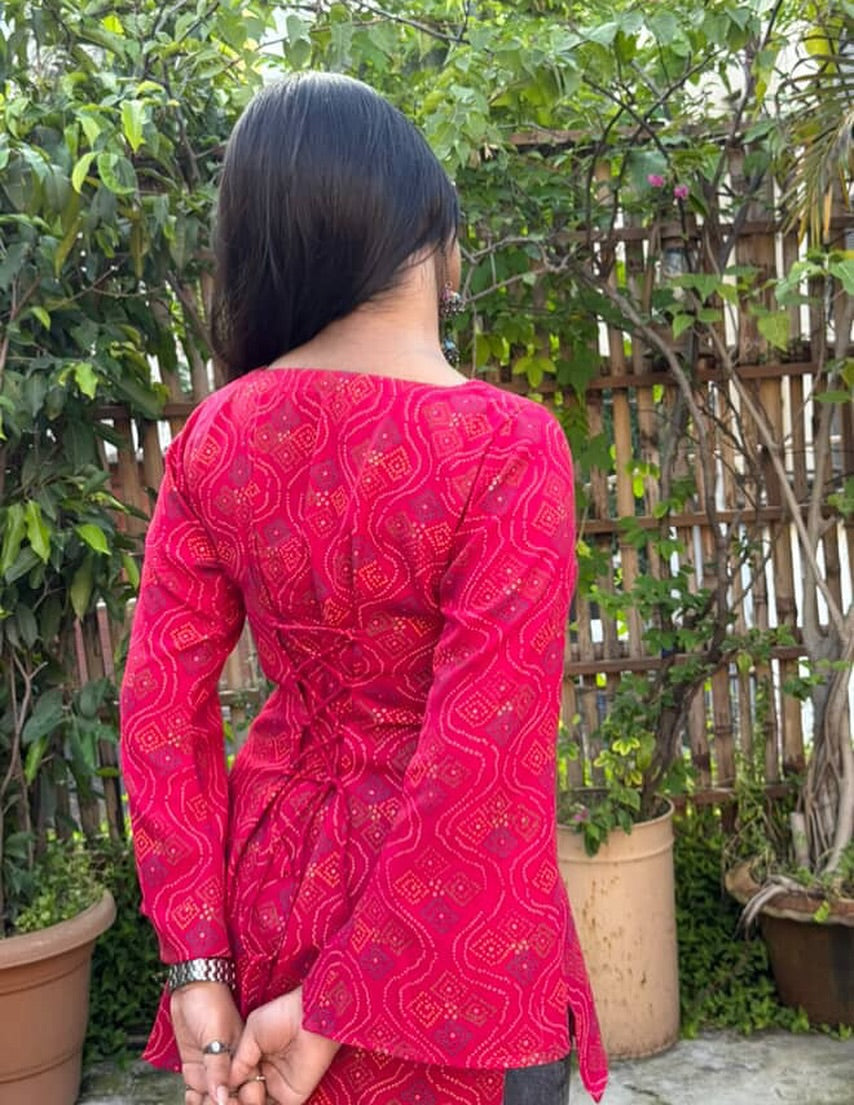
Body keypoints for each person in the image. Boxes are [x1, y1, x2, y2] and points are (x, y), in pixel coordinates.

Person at [119, 72, 608, 1105]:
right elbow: (480, 761)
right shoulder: (506, 446)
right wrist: (335, 1007)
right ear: (430, 234)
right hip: (463, 947)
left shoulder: (214, 440)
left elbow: (160, 710)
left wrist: (196, 969)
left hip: (269, 906)